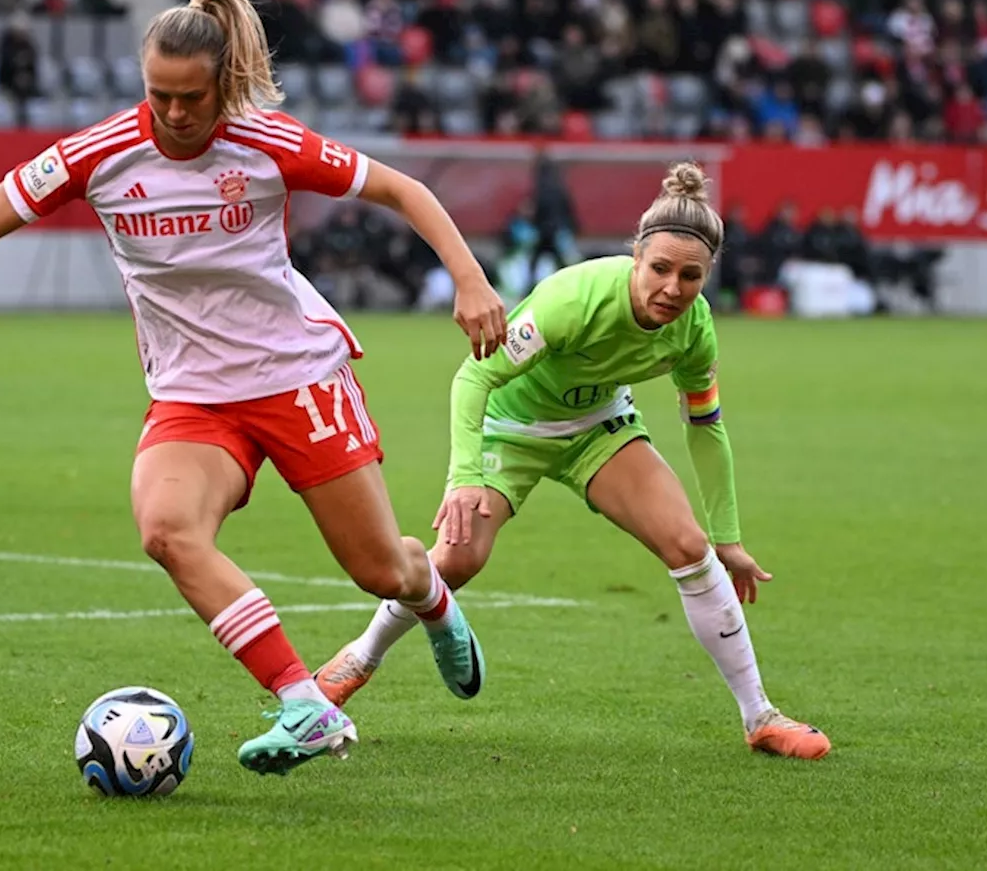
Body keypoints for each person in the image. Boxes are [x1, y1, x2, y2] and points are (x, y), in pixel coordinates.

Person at [0, 0, 507, 776]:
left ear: (222, 82)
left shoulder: (266, 141)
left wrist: (470, 280)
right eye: (158, 95)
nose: (173, 112)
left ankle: (434, 604)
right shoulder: (97, 154)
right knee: (166, 530)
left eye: (191, 97)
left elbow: (401, 189)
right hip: (194, 395)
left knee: (382, 568)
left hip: (296, 378)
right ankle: (303, 702)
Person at [315, 163, 833, 762]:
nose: (672, 287)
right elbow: (475, 376)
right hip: (512, 427)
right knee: (457, 561)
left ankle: (760, 716)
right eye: (660, 269)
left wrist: (729, 537)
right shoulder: (575, 297)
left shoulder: (695, 329)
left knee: (690, 547)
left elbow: (706, 427)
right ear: (635, 257)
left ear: (707, 275)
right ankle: (359, 656)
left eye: (691, 276)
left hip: (598, 429)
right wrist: (466, 477)